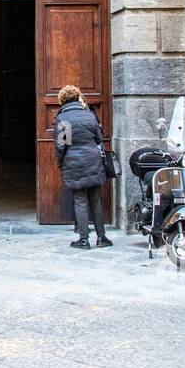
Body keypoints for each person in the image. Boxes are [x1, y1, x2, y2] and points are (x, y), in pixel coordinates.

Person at [53, 84, 110, 249]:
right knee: (95, 199)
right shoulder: (90, 115)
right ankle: (102, 238)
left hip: (73, 162)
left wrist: (60, 163)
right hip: (93, 160)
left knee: (80, 200)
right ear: (78, 97)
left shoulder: (64, 119)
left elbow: (62, 145)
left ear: (62, 100)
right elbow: (99, 139)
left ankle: (84, 240)